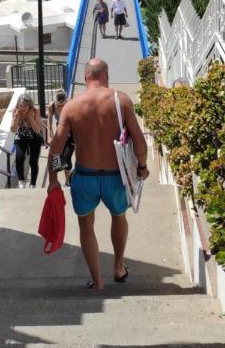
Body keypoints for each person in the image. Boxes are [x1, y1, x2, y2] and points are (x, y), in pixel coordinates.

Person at [47, 58, 149, 290]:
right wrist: (142, 168)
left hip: (85, 177)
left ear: (85, 79)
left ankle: (98, 281)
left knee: (86, 226)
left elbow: (56, 148)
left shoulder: (71, 107)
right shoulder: (121, 101)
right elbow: (140, 144)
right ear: (106, 76)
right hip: (116, 177)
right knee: (119, 217)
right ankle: (118, 267)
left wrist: (53, 179)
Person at [10, 95, 45, 188]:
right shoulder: (15, 111)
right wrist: (16, 118)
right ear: (18, 106)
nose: (23, 108)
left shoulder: (35, 111)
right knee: (19, 157)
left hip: (35, 136)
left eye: (25, 106)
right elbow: (13, 130)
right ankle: (21, 180)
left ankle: (32, 184)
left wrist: (31, 119)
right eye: (20, 106)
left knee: (33, 161)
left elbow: (38, 130)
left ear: (29, 105)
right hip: (21, 135)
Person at [47, 88, 74, 184]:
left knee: (66, 158)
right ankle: (67, 180)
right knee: (57, 162)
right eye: (59, 106)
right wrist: (50, 136)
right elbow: (49, 122)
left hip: (71, 133)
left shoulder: (71, 104)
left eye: (63, 105)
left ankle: (69, 180)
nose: (61, 108)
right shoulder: (52, 106)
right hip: (60, 131)